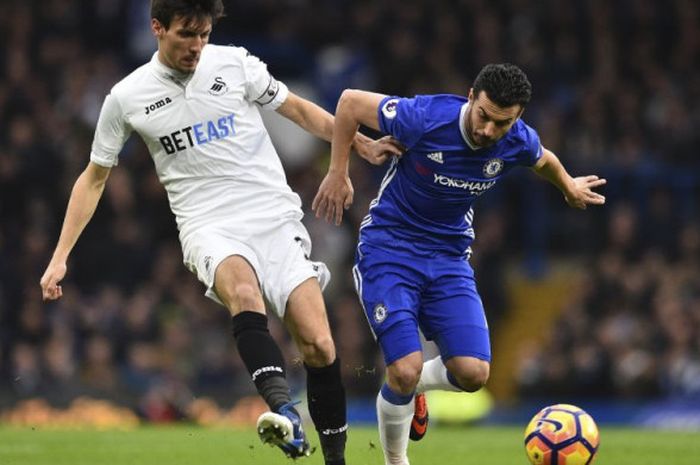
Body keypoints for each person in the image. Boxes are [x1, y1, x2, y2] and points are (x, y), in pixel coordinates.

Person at [39, 1, 400, 463]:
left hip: (272, 214)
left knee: (319, 343)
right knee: (244, 293)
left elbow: (297, 110)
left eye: (204, 34)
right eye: (186, 34)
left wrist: (358, 142)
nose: (197, 45)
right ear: (157, 28)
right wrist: (60, 255)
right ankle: (283, 410)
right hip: (207, 224)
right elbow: (94, 178)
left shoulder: (235, 64)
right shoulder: (127, 97)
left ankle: (335, 460)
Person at [312, 63, 606, 465]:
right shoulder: (426, 117)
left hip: (449, 258)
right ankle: (396, 460)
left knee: (473, 374)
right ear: (471, 96)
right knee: (402, 369)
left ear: (517, 118)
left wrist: (568, 184)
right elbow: (348, 103)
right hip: (389, 249)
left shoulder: (517, 139)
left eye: (502, 123)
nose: (488, 130)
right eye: (483, 115)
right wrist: (338, 172)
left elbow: (543, 159)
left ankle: (414, 390)